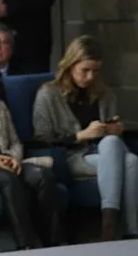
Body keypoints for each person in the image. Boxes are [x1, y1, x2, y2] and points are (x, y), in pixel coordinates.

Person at [33, 36, 136, 240]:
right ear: (71, 65)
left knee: (116, 146)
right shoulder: (48, 94)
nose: (90, 77)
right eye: (85, 70)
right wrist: (80, 136)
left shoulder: (105, 95)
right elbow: (42, 138)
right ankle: (116, 226)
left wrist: (115, 129)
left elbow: (111, 135)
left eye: (95, 71)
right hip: (72, 156)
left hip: (103, 152)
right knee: (132, 162)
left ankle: (128, 231)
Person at [0, 68, 60, 249]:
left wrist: (12, 157)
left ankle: (52, 242)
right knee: (7, 179)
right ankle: (27, 244)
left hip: (8, 161)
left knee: (44, 176)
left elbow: (16, 142)